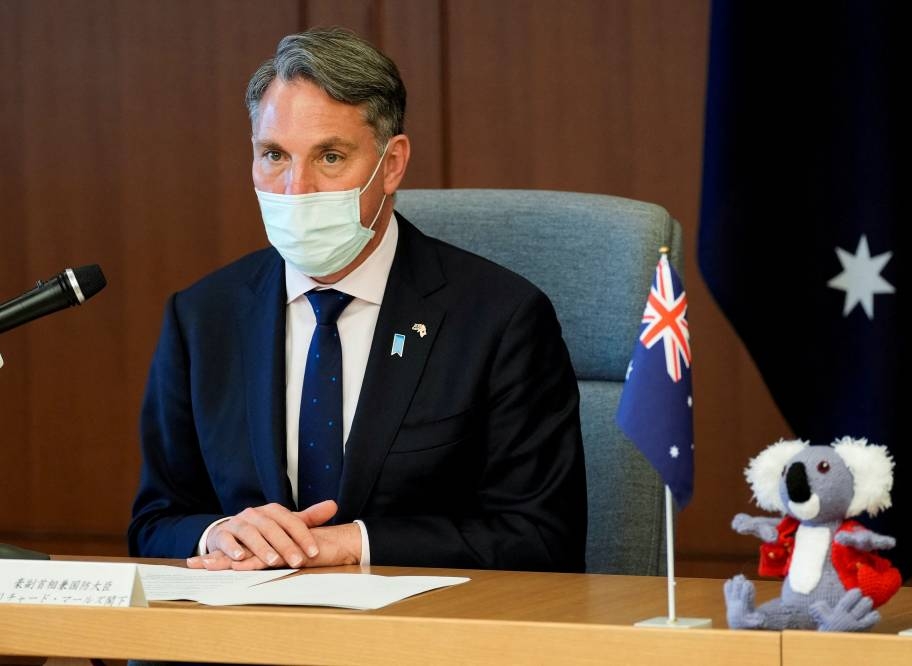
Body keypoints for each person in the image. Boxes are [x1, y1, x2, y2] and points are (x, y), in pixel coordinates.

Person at [128, 27, 587, 573]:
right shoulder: (202, 317)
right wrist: (219, 534)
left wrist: (348, 544)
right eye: (274, 154)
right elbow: (155, 521)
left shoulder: (501, 319)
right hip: (245, 642)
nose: (295, 189)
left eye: (329, 157)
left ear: (391, 164)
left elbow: (540, 535)